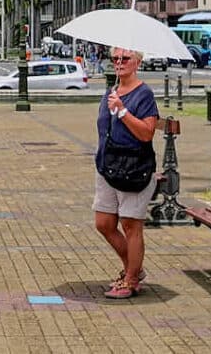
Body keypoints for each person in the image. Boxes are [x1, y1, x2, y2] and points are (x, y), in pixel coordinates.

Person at [94, 47, 160, 299]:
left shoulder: (144, 94)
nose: (119, 63)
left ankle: (131, 279)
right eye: (115, 59)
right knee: (104, 223)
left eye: (125, 59)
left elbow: (146, 133)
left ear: (137, 62)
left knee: (131, 224)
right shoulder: (110, 92)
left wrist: (123, 111)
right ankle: (136, 267)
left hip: (133, 167)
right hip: (107, 166)